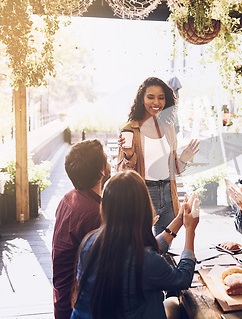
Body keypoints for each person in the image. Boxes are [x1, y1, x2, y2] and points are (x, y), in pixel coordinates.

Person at [71, 170, 199, 319]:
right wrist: (190, 231)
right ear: (143, 208)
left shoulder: (90, 242)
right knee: (175, 304)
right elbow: (182, 279)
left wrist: (179, 220)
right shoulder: (145, 261)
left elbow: (139, 253)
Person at [117, 77, 199, 236]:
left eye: (161, 98)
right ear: (142, 99)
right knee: (142, 244)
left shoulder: (168, 129)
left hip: (168, 193)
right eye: (150, 97)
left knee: (165, 242)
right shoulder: (130, 130)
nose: (156, 102)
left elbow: (175, 170)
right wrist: (129, 154)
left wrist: (184, 159)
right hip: (143, 193)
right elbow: (122, 174)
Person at [52, 139, 111, 319]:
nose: (110, 163)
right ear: (101, 171)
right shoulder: (94, 214)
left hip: (62, 296)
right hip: (79, 304)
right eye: (107, 159)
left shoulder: (69, 198)